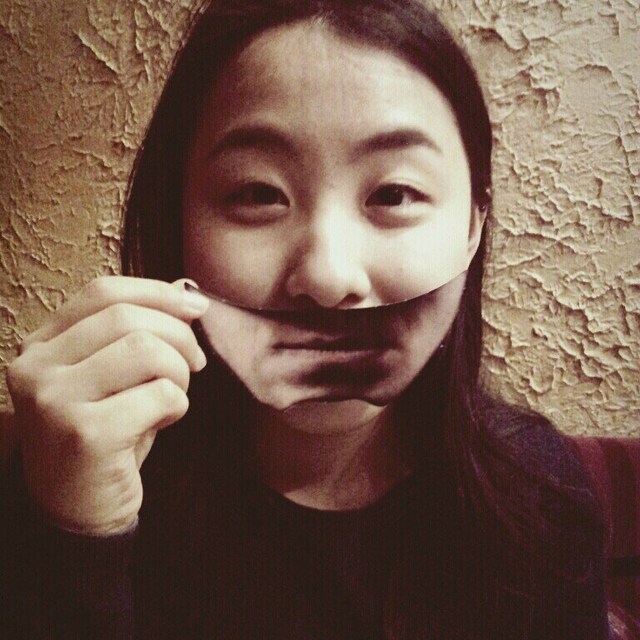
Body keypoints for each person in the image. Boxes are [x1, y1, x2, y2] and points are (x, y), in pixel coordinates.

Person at [1, 0, 609, 638]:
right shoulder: (86, 480)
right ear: (178, 225)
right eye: (258, 192)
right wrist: (75, 539)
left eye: (394, 194)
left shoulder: (540, 497)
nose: (326, 277)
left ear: (471, 230)